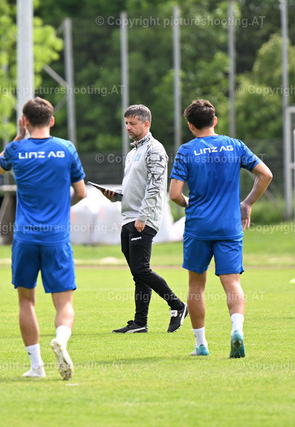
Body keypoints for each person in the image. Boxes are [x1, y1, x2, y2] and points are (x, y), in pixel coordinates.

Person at [169, 99, 272, 358]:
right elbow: (266, 174)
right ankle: (237, 330)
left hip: (198, 226)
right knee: (232, 282)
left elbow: (174, 194)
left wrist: (188, 202)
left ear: (191, 126)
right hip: (229, 226)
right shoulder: (235, 145)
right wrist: (247, 203)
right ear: (214, 121)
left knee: (196, 286)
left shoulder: (186, 150)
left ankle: (201, 344)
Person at [0, 97, 86, 381]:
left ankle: (36, 366)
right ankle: (61, 339)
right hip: (56, 237)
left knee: (26, 302)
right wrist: (61, 208)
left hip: (25, 237)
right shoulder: (66, 148)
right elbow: (81, 193)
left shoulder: (17, 149)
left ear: (24, 120)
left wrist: (19, 135)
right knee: (64, 304)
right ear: (52, 120)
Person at [101, 105, 187, 334]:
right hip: (128, 216)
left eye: (133, 123)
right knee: (138, 273)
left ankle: (177, 305)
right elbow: (134, 188)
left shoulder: (155, 149)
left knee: (142, 268)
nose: (128, 127)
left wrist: (143, 216)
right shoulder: (132, 153)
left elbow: (156, 186)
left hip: (143, 218)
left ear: (146, 124)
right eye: (126, 123)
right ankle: (140, 323)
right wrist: (114, 196)